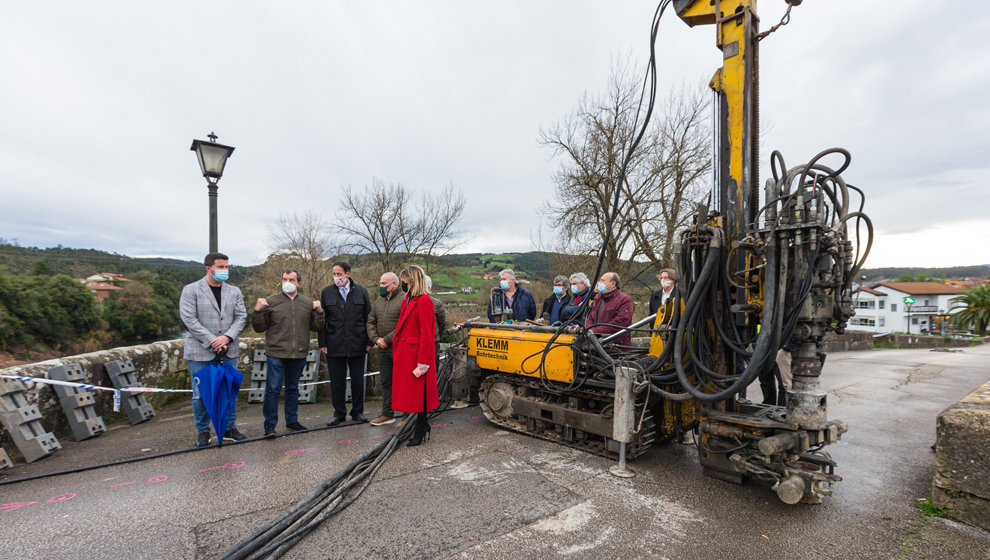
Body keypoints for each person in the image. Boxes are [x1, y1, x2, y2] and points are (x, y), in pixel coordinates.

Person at [179, 252, 248, 448]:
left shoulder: (234, 291)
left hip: (229, 349)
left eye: (227, 267)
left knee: (229, 391)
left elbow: (241, 317)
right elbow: (189, 320)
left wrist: (226, 337)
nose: (225, 270)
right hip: (200, 351)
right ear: (208, 268)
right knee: (200, 394)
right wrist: (212, 340)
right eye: (220, 267)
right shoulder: (191, 290)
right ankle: (203, 431)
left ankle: (229, 427)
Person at [252, 269, 325, 437]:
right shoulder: (271, 301)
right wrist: (257, 311)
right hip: (276, 353)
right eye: (284, 279)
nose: (287, 282)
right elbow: (259, 327)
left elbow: (317, 327)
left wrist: (319, 312)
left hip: (298, 353)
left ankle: (292, 422)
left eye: (291, 279)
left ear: (299, 283)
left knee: (293, 389)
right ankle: (269, 426)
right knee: (273, 389)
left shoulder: (306, 303)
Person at [319, 262, 372, 426]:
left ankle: (357, 412)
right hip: (334, 344)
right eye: (334, 274)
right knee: (337, 381)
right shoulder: (326, 292)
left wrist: (369, 340)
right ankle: (339, 413)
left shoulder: (361, 291)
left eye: (339, 274)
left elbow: (368, 317)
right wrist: (323, 342)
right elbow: (322, 320)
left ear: (347, 274)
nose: (336, 277)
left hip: (357, 343)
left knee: (358, 381)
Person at [392, 265, 438, 446]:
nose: (402, 284)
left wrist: (423, 361)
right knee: (415, 395)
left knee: (421, 395)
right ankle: (422, 425)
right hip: (406, 353)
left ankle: (421, 427)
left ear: (412, 281)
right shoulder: (407, 300)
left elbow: (427, 333)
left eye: (404, 281)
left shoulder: (425, 301)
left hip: (417, 355)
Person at [366, 272, 404, 426]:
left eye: (383, 284)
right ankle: (387, 414)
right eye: (380, 283)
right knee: (386, 382)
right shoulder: (378, 302)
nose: (380, 286)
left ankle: (406, 415)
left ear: (394, 284)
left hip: (400, 348)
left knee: (402, 382)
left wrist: (386, 339)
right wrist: (376, 339)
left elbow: (404, 325)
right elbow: (370, 322)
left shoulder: (404, 300)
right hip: (383, 350)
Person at [585, 272, 634, 348]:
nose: (599, 283)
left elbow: (619, 323)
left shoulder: (624, 300)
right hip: (596, 344)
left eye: (603, 281)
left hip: (616, 347)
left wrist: (594, 331)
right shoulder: (598, 298)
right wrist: (590, 330)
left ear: (613, 284)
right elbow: (591, 316)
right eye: (600, 280)